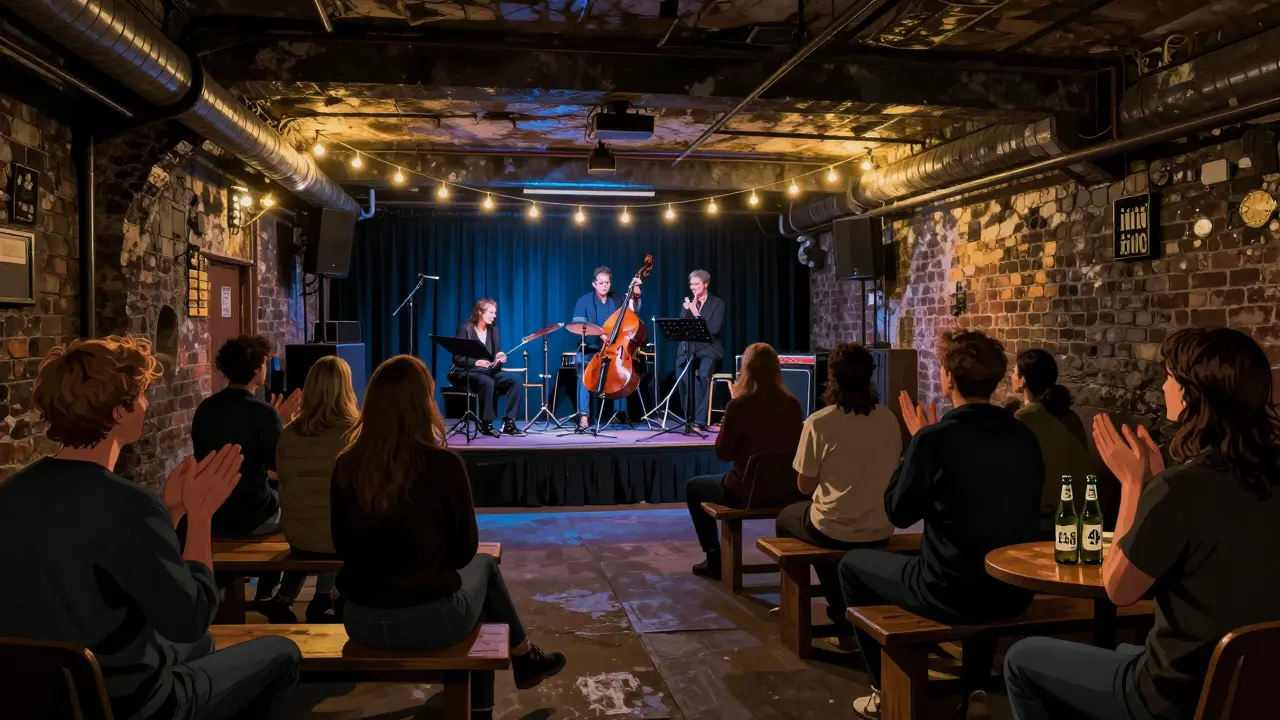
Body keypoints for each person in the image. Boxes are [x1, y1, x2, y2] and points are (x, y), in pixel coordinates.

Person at [0, 336, 300, 720]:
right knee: (283, 652)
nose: (145, 404)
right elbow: (190, 617)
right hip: (130, 704)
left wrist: (173, 512)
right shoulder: (131, 506)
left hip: (35, 698)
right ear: (118, 413)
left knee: (202, 645)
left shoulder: (10, 495)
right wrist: (201, 516)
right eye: (140, 395)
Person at [1004, 327, 1280, 720]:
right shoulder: (1258, 476)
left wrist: (1133, 485)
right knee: (1119, 652)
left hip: (1179, 696)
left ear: (1191, 392)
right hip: (1259, 691)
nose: (1164, 386)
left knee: (1022, 658)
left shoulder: (1180, 489)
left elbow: (1119, 590)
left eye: (1169, 376)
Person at [332, 354, 566, 720]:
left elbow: (341, 546)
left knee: (478, 583)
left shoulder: (346, 463)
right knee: (485, 569)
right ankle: (509, 676)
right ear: (423, 403)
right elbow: (463, 553)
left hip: (358, 619)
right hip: (425, 622)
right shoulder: (442, 465)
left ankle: (523, 660)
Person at [840, 331, 1044, 720]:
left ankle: (881, 690)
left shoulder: (935, 438)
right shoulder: (1023, 435)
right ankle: (977, 691)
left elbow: (898, 513)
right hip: (1015, 591)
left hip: (947, 592)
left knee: (852, 565)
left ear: (948, 378)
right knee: (982, 555)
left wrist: (916, 445)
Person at [775, 343, 903, 650]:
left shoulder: (819, 422)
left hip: (835, 529)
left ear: (831, 377)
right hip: (881, 527)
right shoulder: (888, 419)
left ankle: (822, 614)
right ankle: (852, 612)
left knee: (786, 520)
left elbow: (804, 488)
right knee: (831, 526)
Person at [192, 334, 301, 614]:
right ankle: (268, 593)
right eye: (265, 362)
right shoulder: (264, 413)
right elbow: (281, 466)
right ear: (256, 369)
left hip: (212, 512)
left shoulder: (205, 410)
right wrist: (284, 422)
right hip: (250, 514)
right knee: (294, 512)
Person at [685, 343, 803, 581]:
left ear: (746, 370)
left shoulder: (738, 405)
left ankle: (714, 559)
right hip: (788, 491)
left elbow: (724, 453)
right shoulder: (793, 404)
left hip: (747, 492)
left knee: (693, 487)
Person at [267, 356, 358, 624]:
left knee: (321, 521)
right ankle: (323, 598)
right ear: (348, 388)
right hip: (339, 539)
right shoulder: (356, 433)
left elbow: (282, 481)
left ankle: (286, 598)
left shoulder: (289, 433)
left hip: (297, 533)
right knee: (342, 523)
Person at [1010, 348, 1094, 532]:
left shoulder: (1024, 418)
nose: (1011, 374)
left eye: (1014, 371)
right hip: (1078, 510)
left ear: (1023, 380)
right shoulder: (1070, 416)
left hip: (1043, 517)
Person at [570, 266, 642, 429]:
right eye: (601, 283)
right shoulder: (584, 301)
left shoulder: (617, 299)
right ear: (594, 284)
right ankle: (584, 415)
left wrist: (636, 293)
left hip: (613, 350)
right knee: (584, 374)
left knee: (621, 371)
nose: (604, 286)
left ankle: (620, 412)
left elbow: (632, 311)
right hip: (591, 349)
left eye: (607, 282)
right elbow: (579, 326)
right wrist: (601, 334)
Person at [448, 298, 521, 438]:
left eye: (495, 313)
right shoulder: (466, 328)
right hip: (465, 372)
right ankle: (486, 423)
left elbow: (494, 360)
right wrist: (477, 362)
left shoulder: (494, 331)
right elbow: (457, 358)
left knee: (515, 380)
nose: (494, 316)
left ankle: (509, 423)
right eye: (491, 312)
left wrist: (499, 359)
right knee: (487, 382)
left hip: (487, 372)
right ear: (480, 312)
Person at [676, 269, 725, 429]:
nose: (693, 287)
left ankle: (700, 420)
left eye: (696, 284)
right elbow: (682, 327)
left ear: (706, 284)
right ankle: (689, 417)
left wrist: (696, 312)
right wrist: (687, 310)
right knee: (683, 376)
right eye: (691, 284)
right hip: (690, 348)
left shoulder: (717, 303)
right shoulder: (689, 302)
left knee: (704, 374)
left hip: (709, 348)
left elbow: (713, 329)